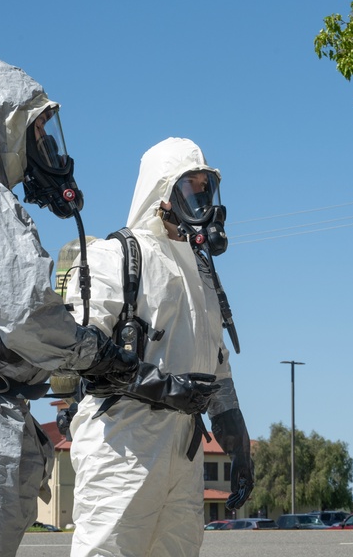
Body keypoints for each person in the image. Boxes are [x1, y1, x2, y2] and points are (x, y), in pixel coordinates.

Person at [0, 56, 218, 556]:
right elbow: (29, 316)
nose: (48, 147)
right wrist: (104, 357)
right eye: (37, 130)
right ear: (2, 123)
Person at [66, 137, 254, 557]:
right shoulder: (114, 256)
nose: (202, 200)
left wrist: (237, 444)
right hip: (122, 447)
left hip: (184, 454)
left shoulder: (202, 272)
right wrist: (160, 386)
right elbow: (79, 347)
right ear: (162, 194)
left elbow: (217, 368)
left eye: (207, 189)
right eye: (191, 188)